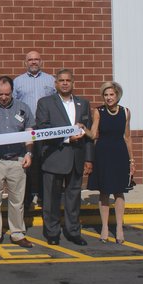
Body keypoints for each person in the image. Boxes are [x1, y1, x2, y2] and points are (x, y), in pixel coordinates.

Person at [35, 69, 94, 246]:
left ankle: (73, 231)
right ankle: (52, 232)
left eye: (68, 80)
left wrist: (89, 159)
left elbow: (89, 133)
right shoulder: (45, 103)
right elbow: (43, 130)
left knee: (73, 198)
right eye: (61, 80)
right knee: (51, 200)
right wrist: (67, 137)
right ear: (56, 84)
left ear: (73, 82)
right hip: (55, 156)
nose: (65, 83)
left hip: (77, 157)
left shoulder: (83, 103)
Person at [0, 76, 34, 249]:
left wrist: (29, 153)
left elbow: (29, 132)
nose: (3, 97)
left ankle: (17, 233)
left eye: (7, 94)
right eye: (0, 94)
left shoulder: (23, 108)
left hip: (17, 159)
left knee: (17, 200)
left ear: (12, 92)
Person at [88, 81, 135, 244]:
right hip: (102, 154)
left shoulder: (126, 112)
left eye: (111, 95)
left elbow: (127, 137)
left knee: (119, 192)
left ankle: (120, 228)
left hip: (120, 154)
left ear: (117, 95)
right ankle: (105, 228)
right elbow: (93, 134)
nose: (108, 98)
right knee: (104, 192)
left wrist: (131, 160)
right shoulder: (98, 111)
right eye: (106, 95)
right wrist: (81, 128)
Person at [13, 50, 56, 207]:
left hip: (46, 128)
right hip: (27, 128)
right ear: (25, 62)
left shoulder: (51, 80)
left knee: (45, 162)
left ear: (41, 61)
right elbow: (14, 106)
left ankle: (45, 197)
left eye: (36, 59)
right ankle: (27, 197)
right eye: (30, 60)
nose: (33, 62)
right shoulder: (17, 82)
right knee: (28, 163)